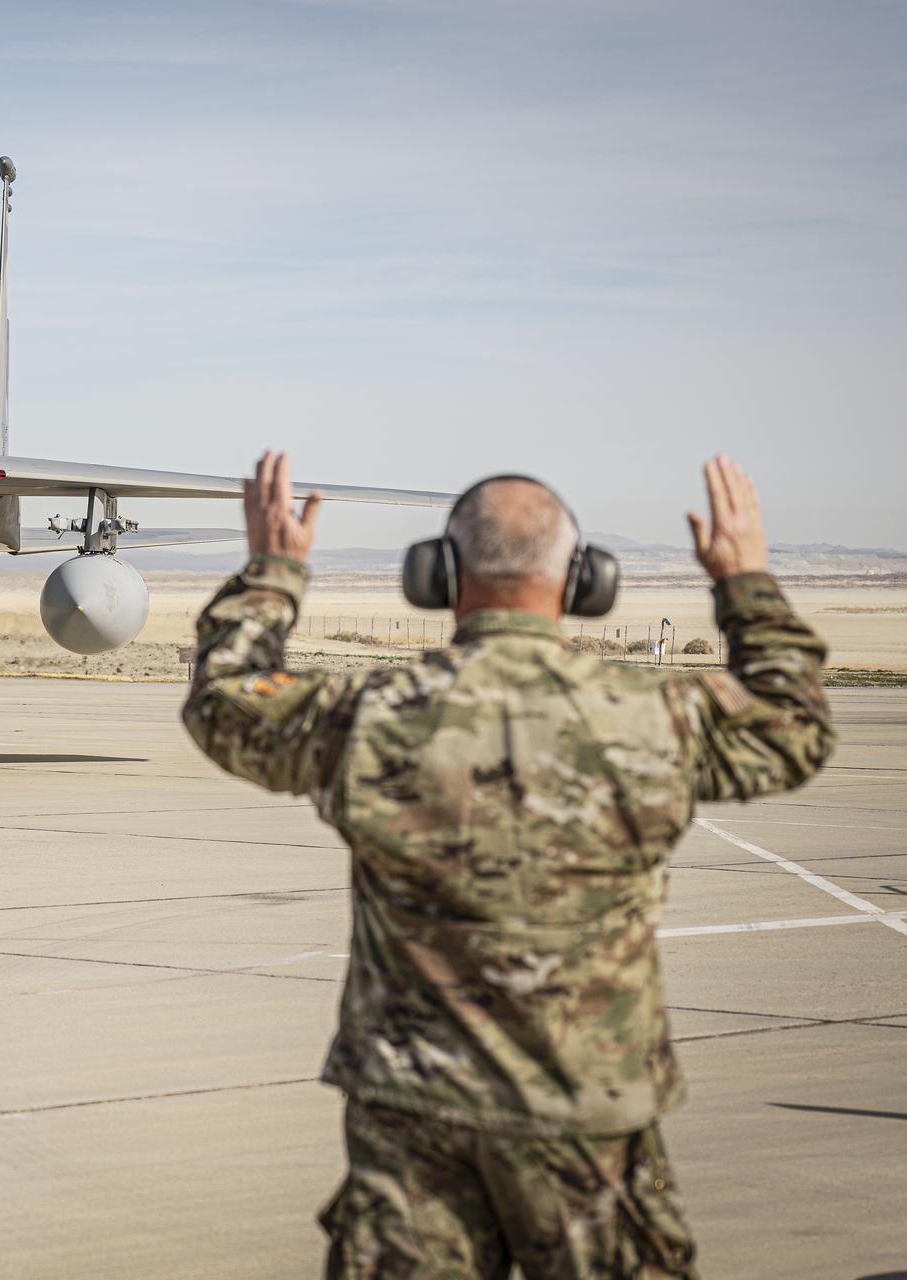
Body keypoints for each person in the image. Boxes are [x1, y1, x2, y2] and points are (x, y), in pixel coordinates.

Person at [181, 454, 834, 1278]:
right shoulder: (651, 717)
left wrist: (275, 575)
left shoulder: (372, 715)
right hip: (588, 1120)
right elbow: (793, 726)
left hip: (413, 1122)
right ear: (585, 581)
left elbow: (223, 701)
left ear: (439, 576)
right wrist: (745, 584)